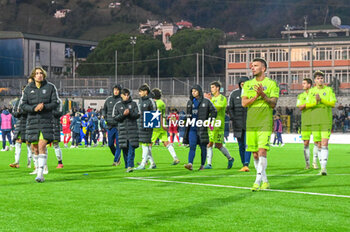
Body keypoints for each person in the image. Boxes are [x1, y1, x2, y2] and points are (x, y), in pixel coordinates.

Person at [241, 58, 279, 191]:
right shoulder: (247, 84)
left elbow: (273, 103)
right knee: (255, 154)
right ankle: (265, 181)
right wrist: (256, 97)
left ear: (264, 68)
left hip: (265, 122)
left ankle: (257, 181)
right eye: (252, 66)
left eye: (256, 65)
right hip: (251, 122)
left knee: (262, 151)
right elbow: (244, 103)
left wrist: (263, 95)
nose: (252, 67)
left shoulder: (272, 84)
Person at [20, 67, 59, 183]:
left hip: (46, 121)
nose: (39, 75)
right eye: (37, 73)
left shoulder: (50, 87)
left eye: (41, 73)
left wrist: (44, 107)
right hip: (32, 122)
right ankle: (38, 169)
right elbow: (23, 105)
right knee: (34, 148)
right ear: (33, 76)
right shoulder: (27, 89)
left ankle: (40, 174)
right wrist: (33, 108)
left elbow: (55, 102)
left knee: (42, 146)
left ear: (44, 75)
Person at [308, 70, 336, 175]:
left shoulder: (329, 90)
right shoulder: (311, 91)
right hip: (315, 120)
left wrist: (321, 100)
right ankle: (320, 166)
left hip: (325, 120)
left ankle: (323, 168)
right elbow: (308, 104)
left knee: (325, 143)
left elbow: (332, 103)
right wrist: (315, 102)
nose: (320, 80)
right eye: (318, 78)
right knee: (318, 144)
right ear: (315, 80)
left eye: (321, 78)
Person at [183, 85, 217, 171]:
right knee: (192, 146)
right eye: (192, 91)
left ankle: (202, 165)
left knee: (203, 147)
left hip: (202, 128)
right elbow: (188, 115)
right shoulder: (190, 102)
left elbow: (214, 111)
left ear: (199, 91)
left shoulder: (206, 101)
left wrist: (210, 120)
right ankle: (190, 164)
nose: (193, 93)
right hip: (192, 128)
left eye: (195, 91)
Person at [204, 81, 234, 169]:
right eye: (211, 87)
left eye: (213, 87)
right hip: (211, 124)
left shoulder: (222, 98)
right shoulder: (211, 99)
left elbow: (217, 108)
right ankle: (209, 164)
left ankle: (229, 158)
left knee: (217, 145)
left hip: (218, 124)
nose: (211, 89)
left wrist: (208, 101)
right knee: (211, 143)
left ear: (217, 88)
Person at [227, 76, 252, 172]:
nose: (244, 85)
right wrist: (233, 118)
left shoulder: (252, 93)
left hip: (249, 123)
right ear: (240, 84)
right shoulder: (234, 94)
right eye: (242, 84)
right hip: (237, 124)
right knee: (241, 145)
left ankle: (246, 163)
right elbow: (230, 108)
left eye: (245, 84)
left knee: (247, 144)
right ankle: (243, 164)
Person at [151, 88, 180, 165]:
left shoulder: (157, 103)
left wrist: (161, 124)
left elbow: (158, 114)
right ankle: (175, 158)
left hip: (158, 125)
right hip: (162, 124)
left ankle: (148, 161)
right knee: (166, 142)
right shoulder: (162, 102)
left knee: (148, 143)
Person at [113, 88, 140, 173]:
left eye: (128, 95)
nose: (127, 96)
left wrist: (130, 113)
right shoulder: (117, 105)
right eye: (125, 95)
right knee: (124, 149)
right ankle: (127, 165)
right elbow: (115, 118)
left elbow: (138, 115)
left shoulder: (134, 104)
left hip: (132, 130)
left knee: (132, 149)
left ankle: (130, 166)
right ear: (121, 95)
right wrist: (123, 115)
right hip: (122, 131)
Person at [9, 80, 33, 168]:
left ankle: (29, 163)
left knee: (28, 144)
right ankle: (16, 162)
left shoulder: (31, 101)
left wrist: (23, 112)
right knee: (18, 143)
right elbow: (14, 113)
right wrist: (18, 113)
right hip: (20, 123)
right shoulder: (18, 101)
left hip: (28, 123)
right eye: (23, 91)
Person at [135, 84, 157, 170]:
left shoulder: (151, 101)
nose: (139, 93)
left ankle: (143, 164)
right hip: (140, 125)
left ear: (145, 92)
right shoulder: (140, 100)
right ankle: (152, 163)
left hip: (147, 126)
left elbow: (154, 114)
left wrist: (149, 125)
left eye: (140, 91)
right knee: (145, 144)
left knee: (145, 144)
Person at [296, 78, 316, 169]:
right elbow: (300, 107)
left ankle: (314, 162)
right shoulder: (300, 95)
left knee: (317, 142)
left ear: (309, 85)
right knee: (306, 143)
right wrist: (309, 104)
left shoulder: (315, 93)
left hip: (316, 121)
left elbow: (316, 103)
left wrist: (305, 104)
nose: (302, 85)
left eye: (304, 83)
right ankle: (307, 163)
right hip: (305, 122)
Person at [103, 84, 122, 165]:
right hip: (110, 126)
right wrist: (104, 116)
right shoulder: (108, 99)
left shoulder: (122, 100)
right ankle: (117, 156)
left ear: (120, 91)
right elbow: (104, 110)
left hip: (119, 126)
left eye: (117, 90)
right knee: (110, 144)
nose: (116, 91)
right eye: (115, 90)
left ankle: (115, 161)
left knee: (118, 144)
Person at [52, 98, 64, 169]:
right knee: (42, 144)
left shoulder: (58, 101)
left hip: (54, 124)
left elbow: (59, 113)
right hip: (44, 124)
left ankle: (60, 162)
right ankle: (42, 165)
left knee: (56, 144)